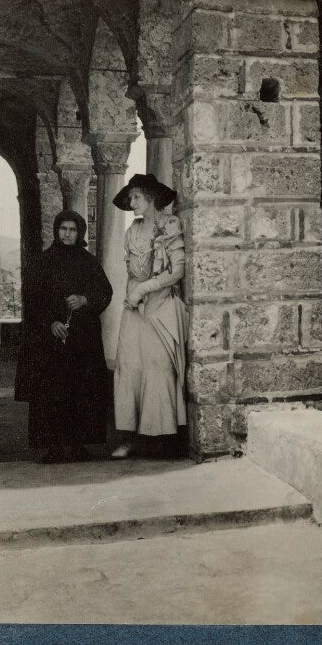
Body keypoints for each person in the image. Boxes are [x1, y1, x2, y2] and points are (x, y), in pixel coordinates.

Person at [15, 210, 113, 463]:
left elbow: (105, 292)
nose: (67, 234)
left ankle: (79, 445)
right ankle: (54, 447)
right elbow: (32, 299)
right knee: (52, 392)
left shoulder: (89, 262)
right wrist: (51, 323)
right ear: (56, 231)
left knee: (82, 390)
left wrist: (85, 300)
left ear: (79, 233)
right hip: (51, 341)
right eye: (63, 229)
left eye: (72, 230)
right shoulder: (42, 262)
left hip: (83, 340)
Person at [111, 173, 189, 458]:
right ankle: (129, 437)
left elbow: (177, 270)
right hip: (135, 309)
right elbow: (133, 268)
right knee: (129, 366)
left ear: (152, 198)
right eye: (130, 198)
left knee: (159, 366)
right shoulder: (132, 231)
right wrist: (134, 293)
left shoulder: (170, 225)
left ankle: (163, 437)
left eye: (136, 197)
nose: (132, 203)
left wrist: (144, 288)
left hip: (160, 307)